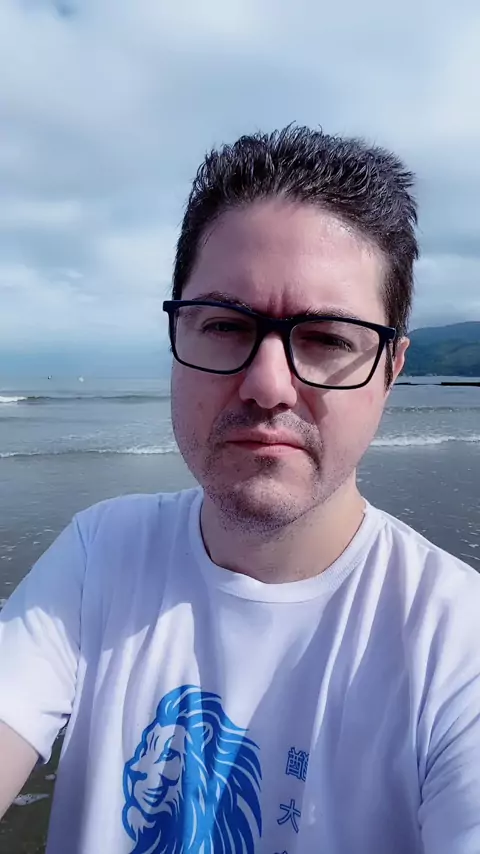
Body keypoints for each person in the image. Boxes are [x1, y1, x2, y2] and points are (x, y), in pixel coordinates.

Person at [1, 126, 479, 854]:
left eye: (328, 338)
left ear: (390, 370)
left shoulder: (455, 645)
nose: (266, 384)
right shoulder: (100, 554)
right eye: (226, 325)